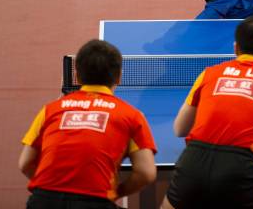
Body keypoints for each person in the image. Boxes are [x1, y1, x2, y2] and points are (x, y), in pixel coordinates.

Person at [160, 15, 253, 209]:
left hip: (192, 164)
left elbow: (180, 129)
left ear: (236, 47)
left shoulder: (209, 73)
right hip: (239, 169)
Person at [18, 39, 157, 208]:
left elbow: (25, 164)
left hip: (43, 201)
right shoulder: (132, 116)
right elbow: (146, 173)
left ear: (76, 76)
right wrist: (115, 192)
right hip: (94, 202)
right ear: (119, 77)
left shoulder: (49, 110)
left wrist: (52, 189)